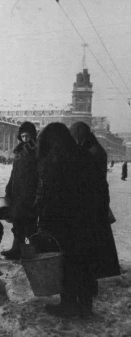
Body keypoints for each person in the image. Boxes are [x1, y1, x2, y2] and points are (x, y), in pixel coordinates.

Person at [36, 122, 104, 318]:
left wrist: (45, 222)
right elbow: (100, 189)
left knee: (67, 264)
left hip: (65, 222)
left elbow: (51, 194)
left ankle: (68, 305)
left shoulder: (56, 158)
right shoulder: (84, 154)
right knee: (84, 263)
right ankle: (85, 306)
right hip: (86, 220)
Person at [70, 122, 120, 289]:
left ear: (80, 135)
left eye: (75, 136)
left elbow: (89, 177)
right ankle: (107, 268)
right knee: (102, 234)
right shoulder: (94, 147)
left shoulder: (91, 151)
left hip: (93, 198)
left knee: (97, 235)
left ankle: (103, 269)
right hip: (98, 198)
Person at [1, 121, 39, 260]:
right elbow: (14, 172)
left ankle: (37, 251)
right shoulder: (19, 151)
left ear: (33, 136)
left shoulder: (37, 151)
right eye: (22, 136)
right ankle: (16, 249)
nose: (25, 139)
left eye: (28, 136)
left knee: (29, 224)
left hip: (29, 194)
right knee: (17, 222)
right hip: (17, 193)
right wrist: (8, 188)